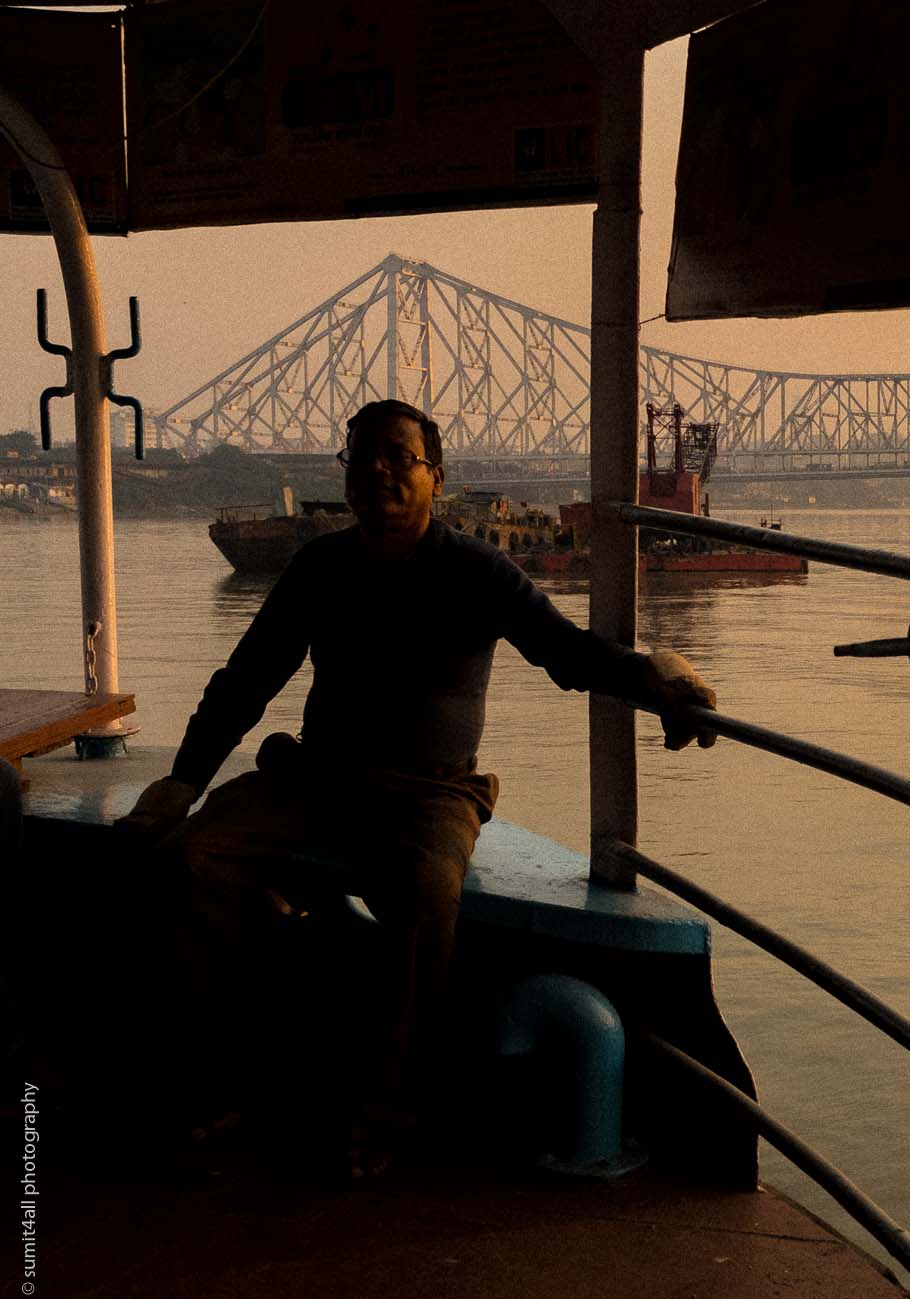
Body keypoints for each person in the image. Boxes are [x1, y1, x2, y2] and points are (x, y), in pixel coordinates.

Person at [116, 398, 716, 1174]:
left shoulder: (477, 570)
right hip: (316, 779)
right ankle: (240, 1071)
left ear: (436, 475)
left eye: (400, 457)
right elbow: (246, 681)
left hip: (433, 793)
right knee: (192, 858)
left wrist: (653, 675)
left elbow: (568, 656)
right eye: (363, 457)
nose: (379, 471)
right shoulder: (320, 567)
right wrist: (182, 781)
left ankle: (393, 1105)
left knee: (429, 886)